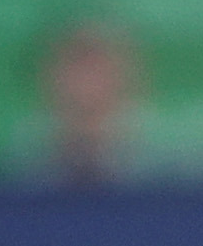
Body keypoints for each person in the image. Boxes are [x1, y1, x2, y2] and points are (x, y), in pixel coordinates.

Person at [40, 19, 139, 184]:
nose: (88, 80)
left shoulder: (157, 163)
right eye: (78, 66)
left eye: (97, 69)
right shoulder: (21, 163)